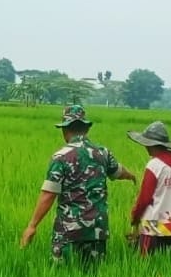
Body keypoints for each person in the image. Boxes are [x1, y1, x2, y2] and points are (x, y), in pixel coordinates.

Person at [20, 104, 136, 266]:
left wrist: (32, 226)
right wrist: (132, 176)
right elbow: (119, 171)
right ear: (86, 129)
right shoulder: (103, 153)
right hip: (97, 230)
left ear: (64, 130)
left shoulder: (61, 157)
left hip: (69, 231)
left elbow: (48, 194)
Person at [127, 121, 171, 255]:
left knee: (147, 265)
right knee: (166, 261)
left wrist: (135, 217)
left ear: (153, 144)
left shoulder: (154, 165)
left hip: (152, 222)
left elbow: (144, 198)